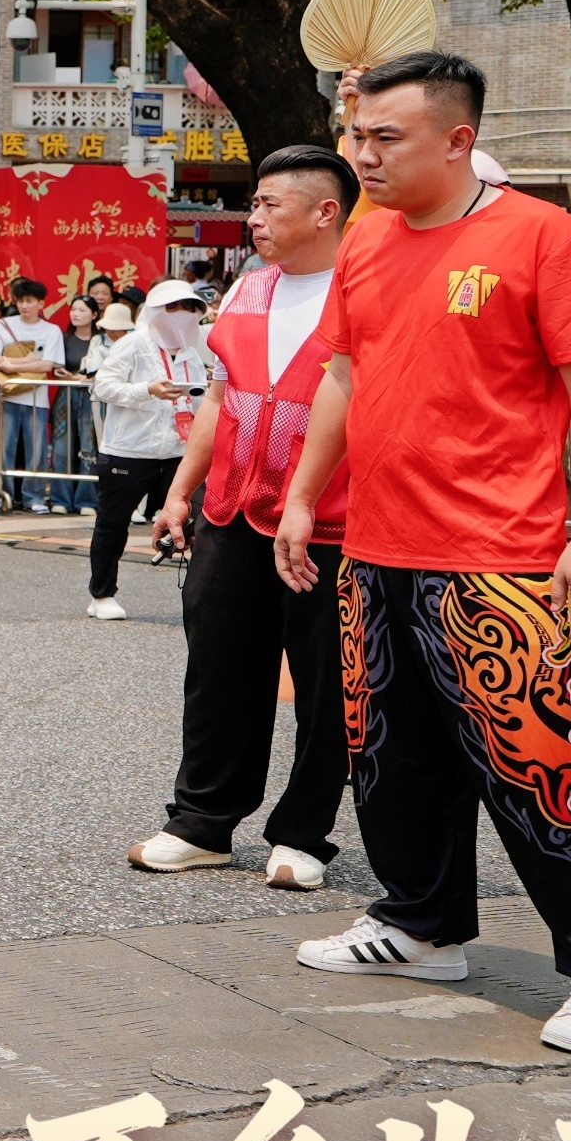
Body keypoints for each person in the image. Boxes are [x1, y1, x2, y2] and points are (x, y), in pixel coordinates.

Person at [277, 50, 571, 1057]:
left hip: (498, 553)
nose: (361, 155)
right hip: (377, 546)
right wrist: (304, 497)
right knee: (390, 758)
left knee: (547, 763)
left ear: (458, 138)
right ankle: (419, 923)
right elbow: (344, 376)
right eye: (355, 136)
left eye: (384, 138)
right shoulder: (365, 244)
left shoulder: (538, 236)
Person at [134, 145, 358, 882]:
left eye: (269, 204)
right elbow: (220, 401)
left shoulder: (365, 291)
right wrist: (181, 491)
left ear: (325, 212)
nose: (252, 217)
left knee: (327, 681)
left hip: (331, 520)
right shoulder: (244, 291)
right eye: (254, 203)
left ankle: (303, 832)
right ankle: (202, 820)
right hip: (232, 509)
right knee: (220, 665)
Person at [83, 284, 210, 615]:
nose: (182, 315)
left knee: (203, 518)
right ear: (155, 310)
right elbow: (104, 386)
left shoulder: (190, 353)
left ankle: (205, 596)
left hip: (178, 452)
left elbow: (201, 401)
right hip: (130, 451)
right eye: (174, 307)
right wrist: (146, 390)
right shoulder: (133, 345)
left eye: (189, 308)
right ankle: (102, 594)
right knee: (114, 523)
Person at [0, 277, 73, 515]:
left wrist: (8, 363)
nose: (24, 306)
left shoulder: (51, 330)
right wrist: (26, 362)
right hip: (7, 396)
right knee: (4, 449)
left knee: (37, 451)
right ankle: (1, 494)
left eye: (29, 301)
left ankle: (33, 496)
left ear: (41, 303)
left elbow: (47, 365)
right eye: (20, 301)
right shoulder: (2, 325)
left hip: (37, 399)